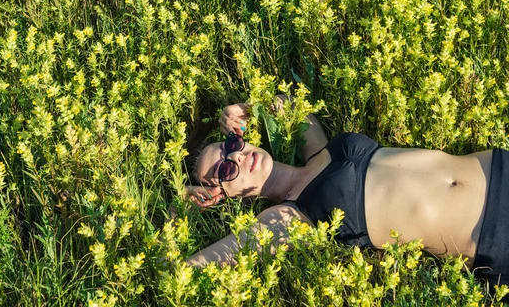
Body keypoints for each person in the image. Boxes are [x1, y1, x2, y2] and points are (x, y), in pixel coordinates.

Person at [183, 98, 508, 291]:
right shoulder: (288, 217)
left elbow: (288, 103)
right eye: (225, 170)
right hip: (494, 233)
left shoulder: (318, 150)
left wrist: (248, 109)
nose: (238, 157)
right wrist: (185, 205)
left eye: (230, 146)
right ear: (224, 196)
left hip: (498, 166)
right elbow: (199, 266)